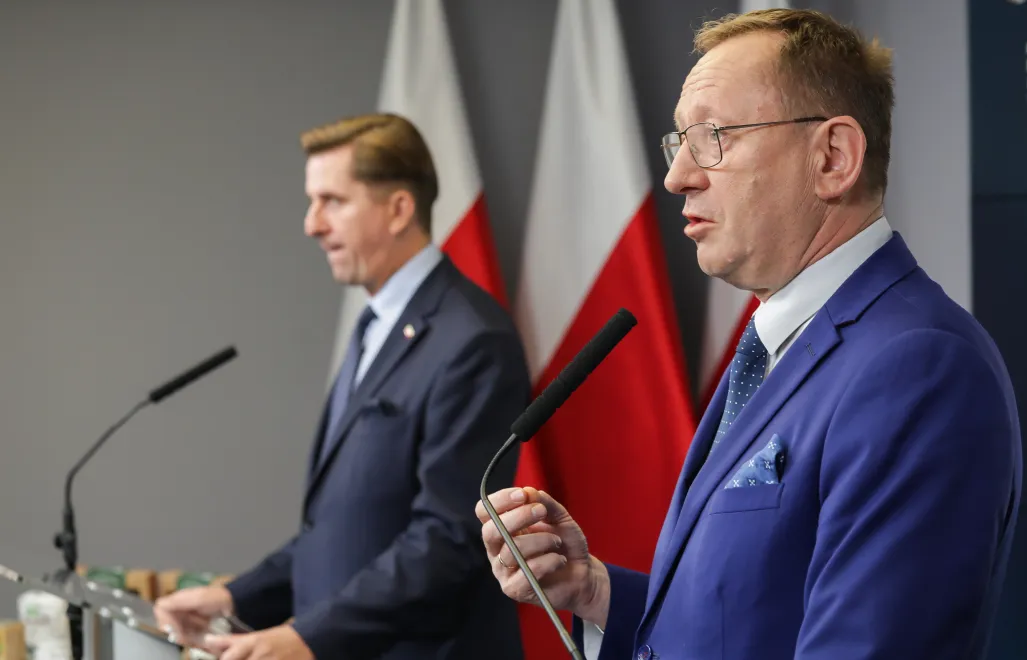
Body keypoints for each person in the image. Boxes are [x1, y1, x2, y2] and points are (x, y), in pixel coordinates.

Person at [478, 8, 1022, 660]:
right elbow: (748, 620)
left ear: (832, 156)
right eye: (677, 143)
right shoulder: (772, 348)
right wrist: (593, 590)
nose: (677, 176)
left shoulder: (919, 368)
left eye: (713, 135)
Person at [155, 113, 530, 659]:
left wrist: (307, 638)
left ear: (399, 208)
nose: (312, 224)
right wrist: (233, 596)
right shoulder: (375, 325)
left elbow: (448, 540)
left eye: (332, 201)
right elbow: (346, 527)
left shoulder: (471, 339)